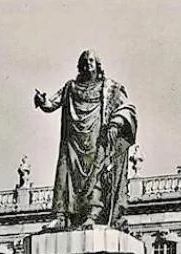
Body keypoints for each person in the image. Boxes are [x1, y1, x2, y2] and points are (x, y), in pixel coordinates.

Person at [34, 49, 137, 231]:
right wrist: (42, 101)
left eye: (91, 60)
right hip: (74, 140)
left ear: (97, 64)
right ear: (80, 65)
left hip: (98, 138)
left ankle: (93, 214)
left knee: (96, 174)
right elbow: (52, 103)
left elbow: (126, 108)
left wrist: (115, 123)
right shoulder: (70, 87)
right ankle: (61, 216)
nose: (88, 63)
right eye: (85, 60)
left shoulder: (110, 87)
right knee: (67, 176)